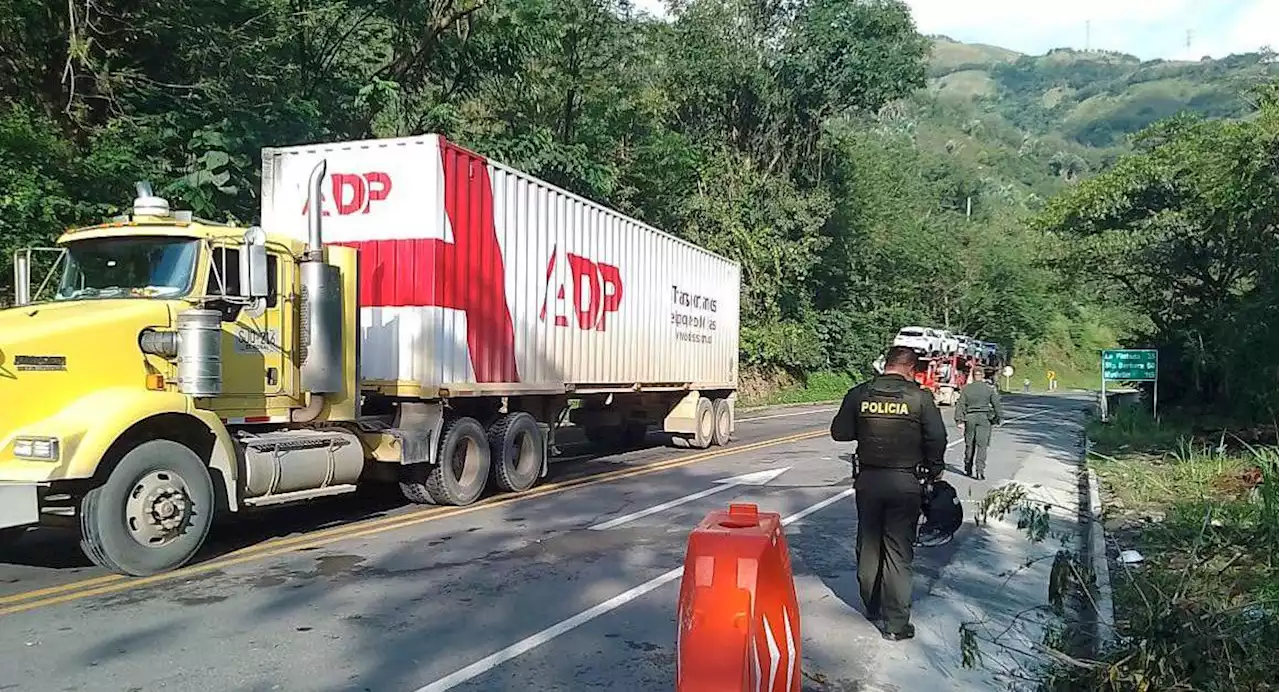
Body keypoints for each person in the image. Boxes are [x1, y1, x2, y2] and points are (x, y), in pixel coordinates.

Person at [830, 346, 948, 641]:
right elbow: (937, 437)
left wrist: (866, 425)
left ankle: (871, 605)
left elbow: (839, 433)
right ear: (910, 369)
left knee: (869, 543)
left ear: (886, 364)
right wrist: (935, 469)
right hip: (906, 483)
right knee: (898, 551)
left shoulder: (859, 393)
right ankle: (896, 625)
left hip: (868, 480)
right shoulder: (919, 398)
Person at [955, 368, 1003, 480]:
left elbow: (960, 405)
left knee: (969, 444)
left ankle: (968, 467)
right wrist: (998, 419)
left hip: (970, 418)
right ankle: (979, 471)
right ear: (983, 375)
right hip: (984, 419)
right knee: (982, 446)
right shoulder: (989, 389)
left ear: (973, 375)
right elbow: (997, 406)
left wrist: (959, 420)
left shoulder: (966, 389)